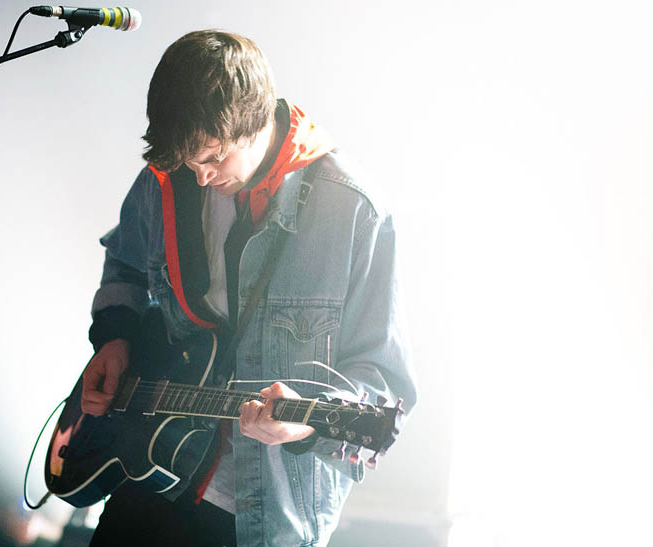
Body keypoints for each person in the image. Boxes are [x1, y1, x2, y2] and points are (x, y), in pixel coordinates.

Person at [80, 29, 417, 546]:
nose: (199, 175)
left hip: (263, 514)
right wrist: (115, 337)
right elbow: (124, 264)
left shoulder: (353, 209)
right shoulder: (172, 173)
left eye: (212, 158)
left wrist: (306, 420)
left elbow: (384, 379)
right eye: (187, 163)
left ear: (255, 122)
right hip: (148, 473)